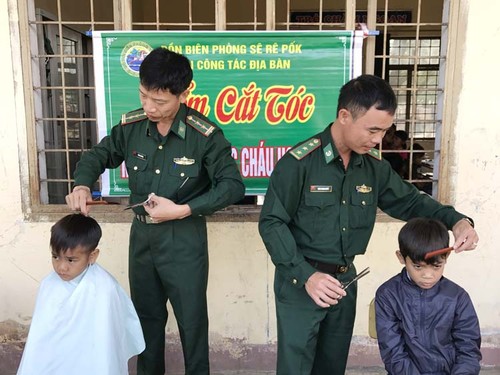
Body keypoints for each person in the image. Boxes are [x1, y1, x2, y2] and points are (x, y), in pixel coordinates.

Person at [258, 74, 479, 375]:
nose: (378, 140)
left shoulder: (373, 168)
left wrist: (459, 221)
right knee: (295, 368)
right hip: (302, 283)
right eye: (373, 130)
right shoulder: (300, 163)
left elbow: (412, 202)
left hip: (345, 280)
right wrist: (307, 276)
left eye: (384, 131)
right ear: (345, 116)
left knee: (332, 367)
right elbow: (271, 222)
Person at [65, 47, 245, 375]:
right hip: (143, 239)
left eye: (159, 101)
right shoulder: (131, 127)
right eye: (144, 96)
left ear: (184, 93)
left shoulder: (204, 135)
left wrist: (183, 209)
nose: (149, 107)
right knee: (146, 319)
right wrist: (81, 183)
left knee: (191, 321)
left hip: (184, 239)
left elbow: (232, 186)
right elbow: (98, 155)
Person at [17, 214, 145, 375]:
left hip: (92, 361)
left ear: (92, 256)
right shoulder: (48, 285)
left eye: (71, 260)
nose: (61, 267)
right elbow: (41, 339)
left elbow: (106, 339)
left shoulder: (104, 288)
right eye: (55, 257)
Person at [375, 217, 481, 374]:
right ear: (401, 258)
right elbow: (393, 353)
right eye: (418, 266)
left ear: (446, 258)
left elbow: (468, 349)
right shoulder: (388, 295)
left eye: (437, 266)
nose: (428, 275)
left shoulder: (458, 297)